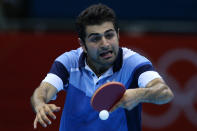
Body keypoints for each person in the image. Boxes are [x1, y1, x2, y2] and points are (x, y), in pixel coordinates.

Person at [31, 3, 174, 131]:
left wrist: (139, 94)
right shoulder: (69, 62)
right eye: (95, 38)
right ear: (83, 44)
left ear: (117, 35)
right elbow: (44, 90)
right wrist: (40, 104)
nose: (105, 44)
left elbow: (165, 92)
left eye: (109, 35)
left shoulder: (133, 64)